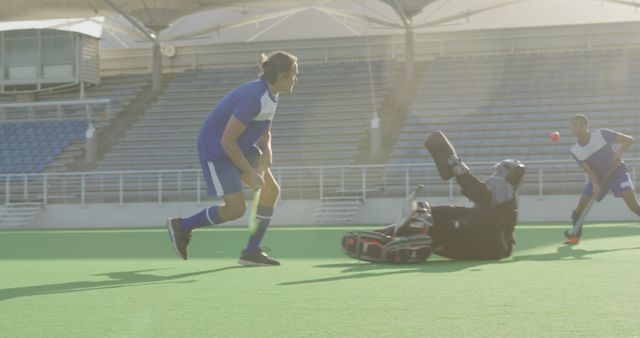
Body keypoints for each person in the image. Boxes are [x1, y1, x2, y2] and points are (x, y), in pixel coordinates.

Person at [166, 51, 298, 266]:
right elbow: (227, 141)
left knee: (271, 191)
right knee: (235, 210)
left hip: (240, 146)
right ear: (283, 76)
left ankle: (251, 252)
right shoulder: (254, 97)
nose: (296, 79)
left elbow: (266, 127)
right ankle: (182, 226)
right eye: (294, 75)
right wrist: (252, 173)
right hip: (217, 151)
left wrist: (268, 148)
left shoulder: (272, 95)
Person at [342, 131, 525, 263]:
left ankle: (385, 235)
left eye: (496, 170)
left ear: (504, 171)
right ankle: (403, 244)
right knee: (436, 230)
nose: (493, 173)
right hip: (487, 250)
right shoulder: (509, 199)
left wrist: (457, 167)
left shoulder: (504, 185)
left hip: (489, 235)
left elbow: (479, 194)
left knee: (429, 214)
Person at [564, 114, 639, 245]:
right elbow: (589, 170)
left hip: (617, 172)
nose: (578, 129)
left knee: (633, 205)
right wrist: (595, 185)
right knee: (581, 206)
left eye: (581, 125)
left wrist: (618, 153)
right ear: (572, 128)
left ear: (587, 126)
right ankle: (575, 236)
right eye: (575, 126)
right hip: (598, 177)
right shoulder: (575, 150)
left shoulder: (602, 134)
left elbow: (630, 140)